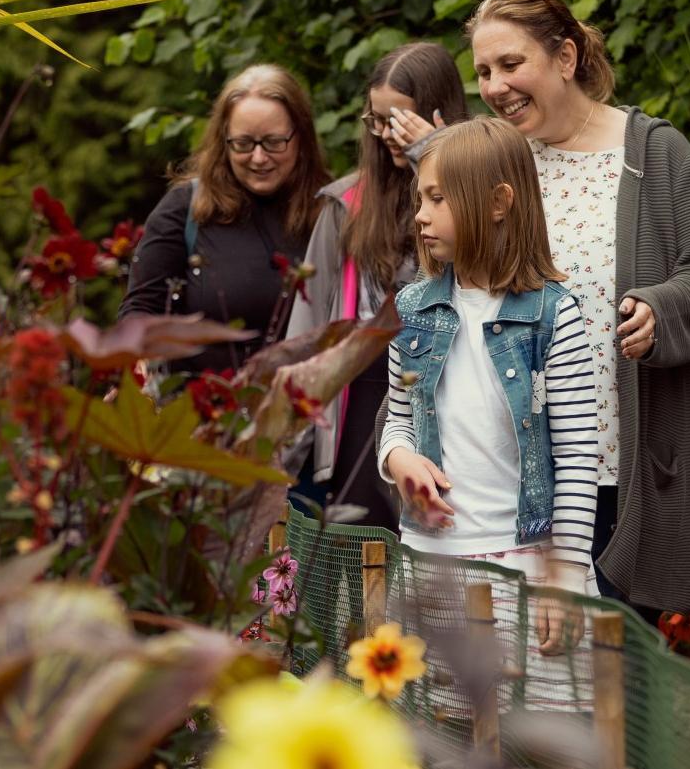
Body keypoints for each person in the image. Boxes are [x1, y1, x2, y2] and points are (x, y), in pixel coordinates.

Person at [465, 0, 690, 621]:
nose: (495, 85)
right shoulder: (498, 163)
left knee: (618, 673)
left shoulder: (653, 153)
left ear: (565, 58)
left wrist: (657, 309)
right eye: (482, 71)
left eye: (510, 63)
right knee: (524, 672)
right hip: (515, 464)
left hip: (619, 460)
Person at [377, 117, 600, 665]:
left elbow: (575, 456)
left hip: (528, 566)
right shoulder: (409, 312)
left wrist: (566, 574)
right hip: (432, 564)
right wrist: (397, 456)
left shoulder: (556, 317)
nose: (421, 215)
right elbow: (399, 417)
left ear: (499, 202)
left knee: (540, 739)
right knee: (448, 737)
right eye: (420, 199)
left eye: (438, 199)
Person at [287, 43, 468, 531]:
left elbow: (479, 273)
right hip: (360, 403)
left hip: (450, 391)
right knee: (361, 559)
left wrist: (434, 158)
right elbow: (305, 335)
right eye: (377, 119)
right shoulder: (344, 205)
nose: (388, 134)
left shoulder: (473, 200)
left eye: (401, 121)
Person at [119, 64, 330, 373]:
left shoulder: (329, 213)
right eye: (243, 144)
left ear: (301, 139)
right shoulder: (185, 209)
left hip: (303, 410)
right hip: (204, 412)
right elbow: (140, 312)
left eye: (274, 142)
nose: (259, 158)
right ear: (223, 140)